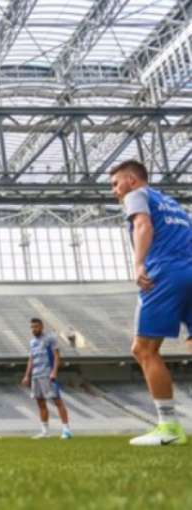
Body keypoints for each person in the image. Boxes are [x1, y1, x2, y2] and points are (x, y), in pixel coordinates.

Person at [109, 159, 191, 446]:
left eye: (116, 183)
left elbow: (142, 224)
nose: (114, 191)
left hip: (165, 273)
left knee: (143, 349)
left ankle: (168, 427)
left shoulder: (137, 195)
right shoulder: (172, 204)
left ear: (132, 180)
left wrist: (139, 263)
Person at [21, 318, 72, 440]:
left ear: (42, 327)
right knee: (40, 403)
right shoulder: (32, 342)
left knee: (57, 401)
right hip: (36, 375)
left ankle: (66, 430)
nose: (34, 329)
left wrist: (54, 372)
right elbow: (31, 359)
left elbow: (57, 356)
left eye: (36, 326)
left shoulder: (50, 338)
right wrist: (27, 375)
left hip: (47, 374)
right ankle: (45, 431)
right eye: (32, 327)